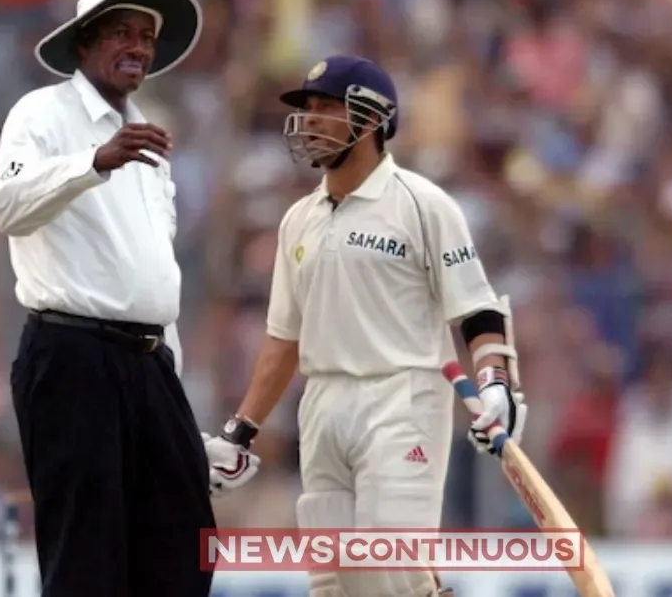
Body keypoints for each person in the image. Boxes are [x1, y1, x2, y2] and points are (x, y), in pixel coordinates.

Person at [200, 55, 529, 596]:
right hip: (323, 407)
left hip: (401, 401)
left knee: (387, 575)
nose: (309, 119)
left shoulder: (423, 205)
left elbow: (477, 310)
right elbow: (283, 339)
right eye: (307, 107)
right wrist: (241, 433)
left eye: (326, 107)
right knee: (332, 585)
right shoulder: (298, 220)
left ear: (372, 119)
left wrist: (496, 383)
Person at [0, 0, 214, 597]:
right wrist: (93, 162)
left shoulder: (148, 135)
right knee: (86, 557)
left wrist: (172, 387)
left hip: (149, 363)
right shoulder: (41, 113)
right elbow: (7, 206)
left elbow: (152, 274)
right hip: (72, 355)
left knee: (185, 546)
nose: (137, 46)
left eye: (146, 37)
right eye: (121, 33)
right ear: (84, 43)